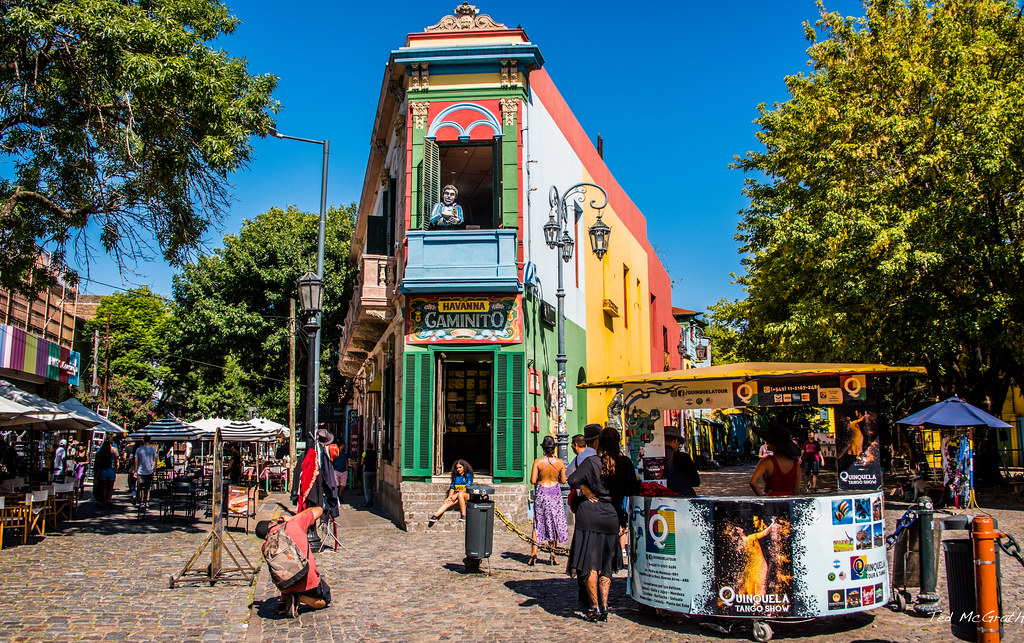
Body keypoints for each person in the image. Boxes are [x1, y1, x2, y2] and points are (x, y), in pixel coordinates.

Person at [566, 426, 638, 622]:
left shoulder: (592, 462)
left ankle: (594, 607)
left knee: (590, 563)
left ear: (599, 442)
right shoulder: (625, 464)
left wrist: (586, 489)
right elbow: (633, 488)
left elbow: (571, 479)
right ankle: (605, 605)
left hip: (589, 515)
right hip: (611, 516)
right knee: (606, 563)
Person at [255, 506, 332, 615]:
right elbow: (318, 510)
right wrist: (292, 518)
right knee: (326, 599)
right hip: (307, 579)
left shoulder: (265, 545)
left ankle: (286, 596)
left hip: (286, 585)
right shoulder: (293, 524)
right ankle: (300, 598)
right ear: (273, 522)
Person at [528, 436, 569, 565]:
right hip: (555, 494)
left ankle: (534, 553)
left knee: (538, 522)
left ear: (543, 449)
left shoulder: (538, 462)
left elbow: (533, 480)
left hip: (542, 493)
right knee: (554, 522)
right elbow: (563, 480)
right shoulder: (560, 463)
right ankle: (553, 554)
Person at [749, 423, 801, 497]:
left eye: (769, 441)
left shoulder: (766, 462)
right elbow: (796, 491)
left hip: (771, 500)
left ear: (776, 444)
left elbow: (753, 482)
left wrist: (761, 497)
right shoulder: (796, 465)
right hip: (789, 501)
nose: (766, 443)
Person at [428, 460, 474, 525]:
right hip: (458, 496)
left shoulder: (468, 476)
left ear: (464, 467)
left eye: (460, 467)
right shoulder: (455, 477)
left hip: (467, 495)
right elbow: (452, 488)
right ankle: (435, 516)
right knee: (448, 502)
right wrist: (449, 497)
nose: (458, 469)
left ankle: (463, 515)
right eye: (457, 468)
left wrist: (455, 495)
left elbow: (466, 488)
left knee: (460, 494)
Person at [663, 426, 700, 497]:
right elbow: (695, 481)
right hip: (682, 497)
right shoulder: (683, 457)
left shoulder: (653, 457)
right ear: (676, 441)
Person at [93, 437, 118, 507]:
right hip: (111, 470)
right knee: (110, 488)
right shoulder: (114, 450)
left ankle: (103, 500)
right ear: (112, 443)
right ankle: (109, 500)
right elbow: (116, 460)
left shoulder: (102, 452)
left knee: (103, 488)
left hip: (103, 470)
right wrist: (116, 468)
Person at [134, 435, 158, 509]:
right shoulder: (153, 450)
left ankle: (141, 502)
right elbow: (155, 461)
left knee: (141, 487)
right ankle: (146, 502)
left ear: (143, 440)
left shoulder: (139, 450)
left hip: (140, 471)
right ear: (150, 441)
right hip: (149, 471)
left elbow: (136, 460)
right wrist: (154, 470)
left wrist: (135, 471)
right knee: (147, 488)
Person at [361, 443, 377, 508]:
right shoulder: (375, 453)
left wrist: (365, 463)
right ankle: (371, 501)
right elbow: (376, 460)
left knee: (366, 487)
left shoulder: (365, 453)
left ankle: (367, 501)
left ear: (367, 447)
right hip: (373, 470)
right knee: (372, 487)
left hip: (367, 470)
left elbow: (362, 462)